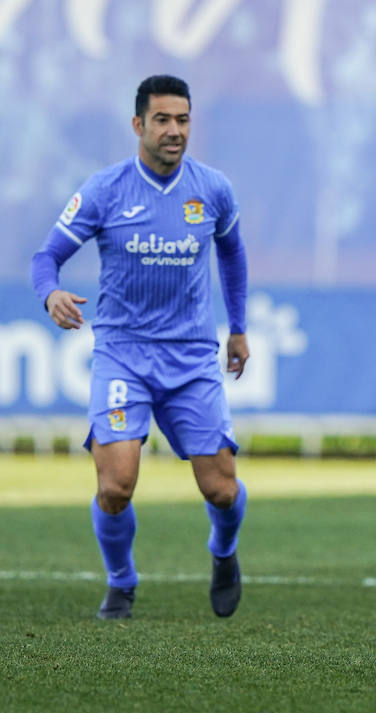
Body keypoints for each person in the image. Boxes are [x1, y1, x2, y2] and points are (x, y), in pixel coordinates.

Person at [29, 75, 250, 620]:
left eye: (183, 120)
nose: (175, 131)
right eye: (162, 120)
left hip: (192, 356)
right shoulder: (105, 190)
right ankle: (121, 581)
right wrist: (51, 292)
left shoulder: (213, 189)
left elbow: (233, 256)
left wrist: (239, 327)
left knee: (221, 491)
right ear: (138, 125)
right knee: (116, 485)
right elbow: (45, 258)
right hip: (123, 353)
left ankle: (223, 553)